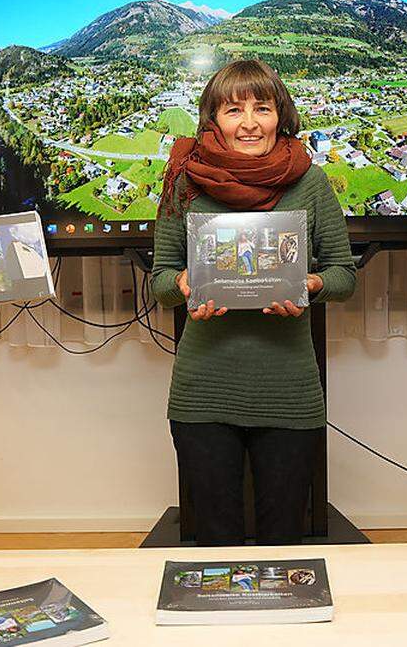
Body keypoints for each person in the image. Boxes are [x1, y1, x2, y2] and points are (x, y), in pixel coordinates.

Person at [151, 60, 356, 545]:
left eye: (262, 108)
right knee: (214, 545)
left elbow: (343, 276)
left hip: (288, 391)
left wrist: (307, 287)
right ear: (213, 119)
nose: (248, 123)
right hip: (203, 393)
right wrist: (183, 285)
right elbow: (159, 281)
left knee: (283, 542)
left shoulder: (309, 182)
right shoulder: (185, 180)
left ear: (280, 115)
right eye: (233, 110)